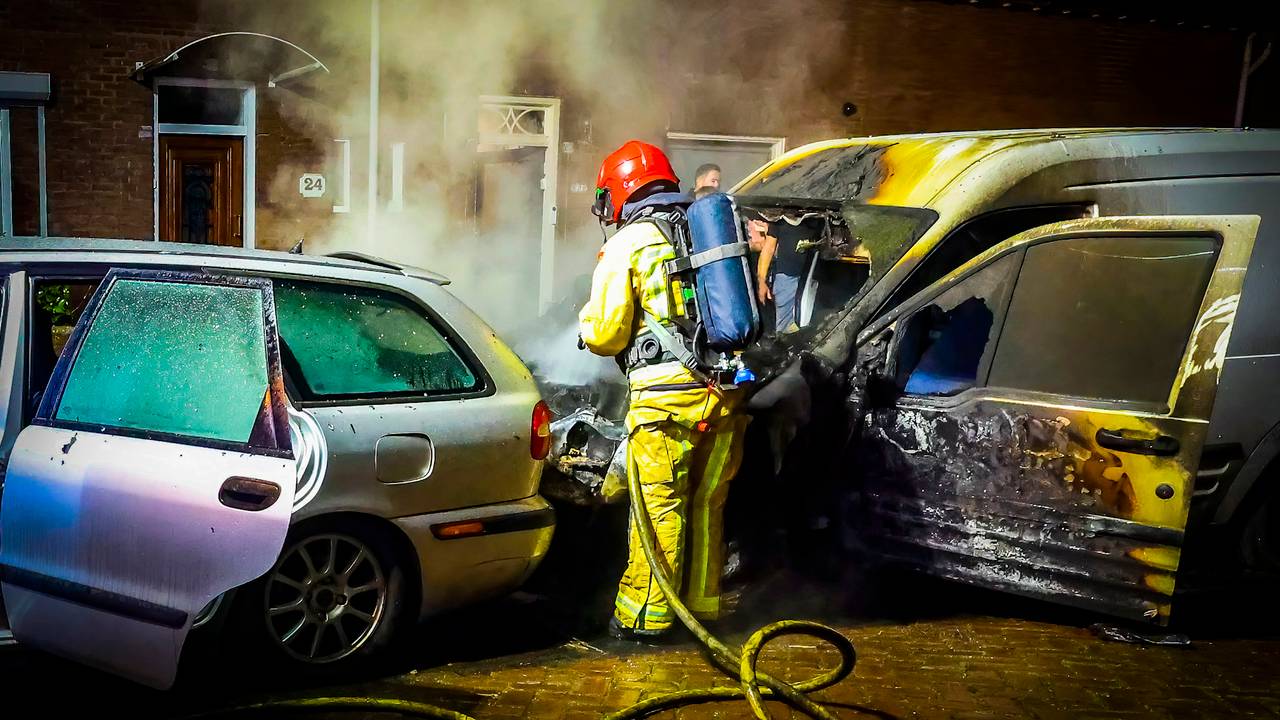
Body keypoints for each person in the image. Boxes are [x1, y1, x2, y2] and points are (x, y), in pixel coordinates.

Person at [579, 140, 749, 639]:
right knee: (706, 506)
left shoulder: (630, 243)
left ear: (620, 191)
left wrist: (585, 326)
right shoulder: (702, 228)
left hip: (665, 403)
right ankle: (703, 607)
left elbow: (607, 331)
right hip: (725, 395)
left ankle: (645, 619)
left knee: (659, 511)